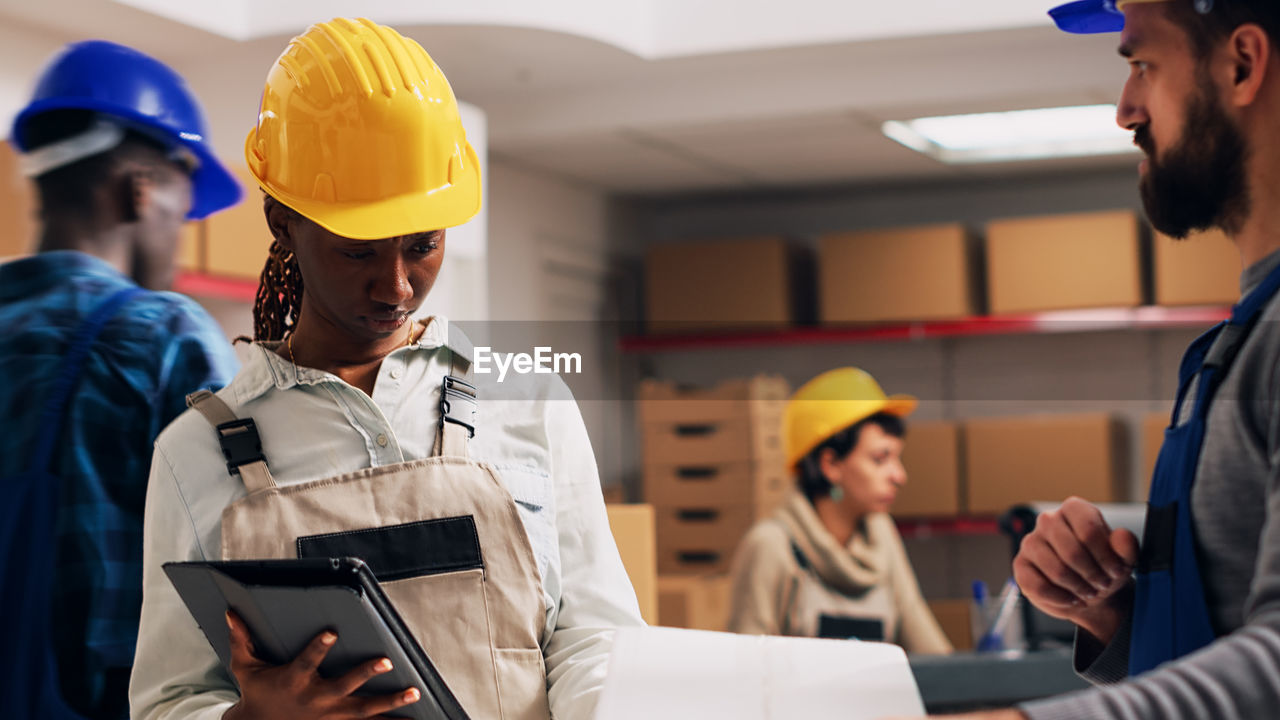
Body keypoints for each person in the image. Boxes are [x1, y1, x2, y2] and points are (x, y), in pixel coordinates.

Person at [130, 18, 644, 720]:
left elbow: (598, 637)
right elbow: (169, 700)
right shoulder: (193, 456)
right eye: (358, 251)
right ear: (284, 221)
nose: (397, 286)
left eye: (422, 245)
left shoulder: (527, 402)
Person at [890, 1, 1280, 718]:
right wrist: (1117, 614)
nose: (1126, 110)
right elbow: (1233, 643)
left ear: (1243, 65)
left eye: (1142, 65)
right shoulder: (1243, 339)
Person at [0, 41, 241, 720]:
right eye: (182, 209)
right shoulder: (161, 335)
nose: (181, 235)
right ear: (142, 187)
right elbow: (248, 561)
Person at [727, 367, 952, 653]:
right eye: (880, 459)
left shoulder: (882, 539)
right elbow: (747, 671)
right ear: (830, 464)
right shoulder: (771, 546)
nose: (899, 475)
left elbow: (930, 650)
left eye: (897, 458)